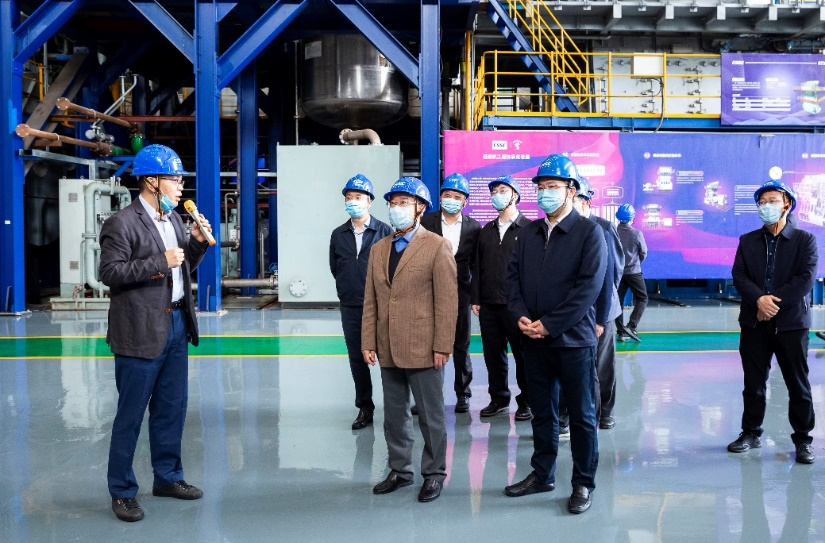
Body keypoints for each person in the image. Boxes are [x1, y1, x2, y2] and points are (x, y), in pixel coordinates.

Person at [99, 144, 212, 522]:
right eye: (174, 180)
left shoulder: (175, 220)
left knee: (171, 409)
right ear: (151, 181)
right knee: (130, 415)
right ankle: (122, 491)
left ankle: (168, 477)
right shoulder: (122, 223)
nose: (180, 187)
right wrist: (158, 261)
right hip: (139, 330)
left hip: (176, 324)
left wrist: (196, 245)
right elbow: (109, 273)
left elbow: (181, 269)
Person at [504, 154, 607, 515]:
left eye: (553, 187)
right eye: (541, 187)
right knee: (542, 413)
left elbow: (588, 288)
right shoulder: (528, 233)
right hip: (533, 341)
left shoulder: (589, 233)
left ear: (571, 190)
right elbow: (512, 280)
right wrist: (520, 316)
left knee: (581, 415)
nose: (545, 193)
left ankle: (583, 482)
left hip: (573, 341)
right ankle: (542, 473)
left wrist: (550, 324)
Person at [361, 177, 458, 503]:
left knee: (431, 417)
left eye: (404, 202)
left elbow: (447, 301)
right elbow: (371, 299)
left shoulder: (437, 246)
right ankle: (400, 470)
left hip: (424, 346)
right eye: (393, 203)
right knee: (394, 415)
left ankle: (434, 473)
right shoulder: (379, 249)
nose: (396, 208)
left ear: (420, 208)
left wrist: (442, 345)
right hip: (387, 345)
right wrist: (368, 340)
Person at [727, 180, 816, 464]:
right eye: (762, 202)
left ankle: (803, 439)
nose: (766, 206)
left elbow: (805, 279)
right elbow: (739, 275)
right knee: (753, 383)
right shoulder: (747, 241)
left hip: (791, 324)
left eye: (773, 200)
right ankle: (750, 432)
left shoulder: (804, 240)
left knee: (797, 384)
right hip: (754, 323)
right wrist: (759, 300)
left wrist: (771, 304)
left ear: (787, 204)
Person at [329, 174, 393, 430]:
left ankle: (395, 407)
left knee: (389, 357)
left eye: (358, 197)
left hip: (382, 305)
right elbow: (335, 267)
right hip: (351, 305)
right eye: (349, 197)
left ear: (370, 201)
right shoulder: (338, 234)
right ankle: (365, 407)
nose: (353, 201)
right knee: (357, 358)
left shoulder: (385, 232)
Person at [470, 175, 533, 420]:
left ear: (515, 195)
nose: (497, 194)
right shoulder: (486, 230)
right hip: (489, 305)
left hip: (517, 306)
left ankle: (527, 401)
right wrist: (476, 298)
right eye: (494, 191)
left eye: (503, 190)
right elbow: (477, 266)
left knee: (524, 356)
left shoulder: (528, 229)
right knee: (493, 356)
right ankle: (499, 399)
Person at [420, 172, 481, 413]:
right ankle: (428, 396)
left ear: (465, 201)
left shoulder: (474, 228)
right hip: (430, 293)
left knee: (461, 345)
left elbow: (477, 266)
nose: (451, 200)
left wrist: (475, 297)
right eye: (447, 195)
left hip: (461, 294)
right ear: (440, 196)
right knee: (428, 344)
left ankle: (463, 394)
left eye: (457, 197)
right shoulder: (427, 222)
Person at [571, 177, 625, 430]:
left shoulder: (603, 227)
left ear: (586, 201)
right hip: (576, 310)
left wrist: (602, 309)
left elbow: (614, 270)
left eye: (575, 199)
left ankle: (606, 412)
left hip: (603, 310)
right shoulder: (567, 229)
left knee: (602, 364)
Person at [615, 203, 647, 342]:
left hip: (618, 273)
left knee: (618, 302)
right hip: (634, 272)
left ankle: (621, 332)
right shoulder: (637, 234)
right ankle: (631, 326)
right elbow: (643, 253)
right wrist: (636, 263)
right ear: (632, 218)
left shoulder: (613, 232)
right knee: (643, 298)